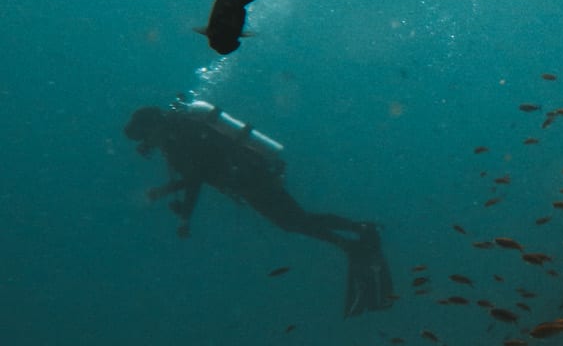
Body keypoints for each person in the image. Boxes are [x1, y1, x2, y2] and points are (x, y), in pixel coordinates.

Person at [125, 99, 395, 316]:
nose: (146, 145)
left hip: (252, 177)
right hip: (248, 180)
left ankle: (357, 233)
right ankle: (351, 242)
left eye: (144, 137)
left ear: (154, 126)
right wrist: (165, 191)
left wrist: (184, 218)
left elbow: (196, 179)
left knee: (294, 220)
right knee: (292, 222)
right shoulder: (176, 141)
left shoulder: (184, 134)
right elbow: (199, 175)